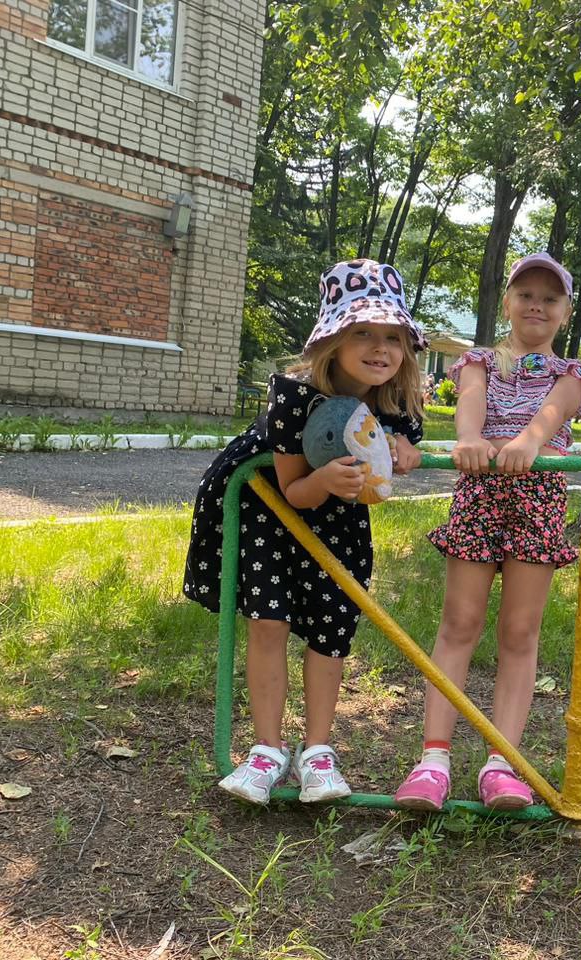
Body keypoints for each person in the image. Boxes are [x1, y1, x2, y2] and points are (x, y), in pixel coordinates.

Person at [183, 259, 426, 805]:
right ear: (332, 341)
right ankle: (267, 750)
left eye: (393, 336)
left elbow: (404, 443)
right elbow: (293, 490)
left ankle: (317, 751)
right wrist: (322, 480)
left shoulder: (394, 398)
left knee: (331, 629)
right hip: (269, 508)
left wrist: (403, 447)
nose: (380, 348)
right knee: (268, 623)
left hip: (338, 517)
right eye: (362, 332)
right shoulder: (294, 396)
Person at [394, 252, 581, 811]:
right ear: (507, 302)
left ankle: (502, 762)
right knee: (459, 622)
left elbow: (551, 416)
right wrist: (470, 439)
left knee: (520, 632)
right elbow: (471, 405)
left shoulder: (571, 374)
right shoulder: (479, 361)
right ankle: (433, 760)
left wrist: (527, 444)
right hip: (480, 493)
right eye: (526, 295)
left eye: (550, 299)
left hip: (537, 497)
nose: (537, 306)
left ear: (565, 311)